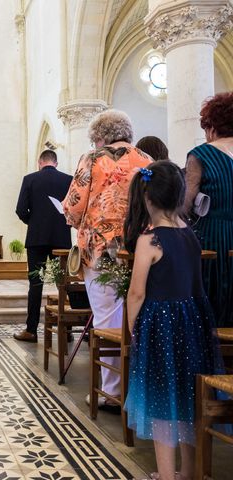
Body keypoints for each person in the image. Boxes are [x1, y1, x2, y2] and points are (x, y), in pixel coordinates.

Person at [123, 161, 224, 480]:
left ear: (147, 198)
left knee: (161, 401)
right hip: (193, 325)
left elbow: (136, 292)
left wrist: (132, 328)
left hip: (160, 328)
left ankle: (167, 476)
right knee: (188, 398)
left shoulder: (149, 239)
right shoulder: (190, 234)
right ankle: (189, 472)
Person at [62, 109, 150, 411]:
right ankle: (137, 386)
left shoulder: (92, 159)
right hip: (139, 248)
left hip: (100, 251)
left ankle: (112, 390)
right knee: (136, 315)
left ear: (99, 137)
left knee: (107, 317)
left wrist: (75, 217)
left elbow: (74, 207)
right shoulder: (147, 161)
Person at [184, 92, 233, 327]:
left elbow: (185, 203)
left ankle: (211, 355)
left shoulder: (201, 154)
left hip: (213, 238)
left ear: (212, 126)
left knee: (211, 304)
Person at [14, 150, 72, 343]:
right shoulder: (68, 180)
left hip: (37, 240)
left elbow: (21, 209)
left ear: (40, 162)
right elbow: (74, 209)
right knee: (63, 284)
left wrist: (34, 222)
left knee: (35, 283)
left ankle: (31, 330)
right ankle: (67, 329)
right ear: (56, 162)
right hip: (61, 240)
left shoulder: (30, 179)